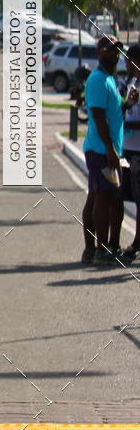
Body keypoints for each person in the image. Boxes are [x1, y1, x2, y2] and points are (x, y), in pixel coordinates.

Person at [81, 36, 138, 265]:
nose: (114, 54)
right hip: (101, 150)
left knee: (102, 197)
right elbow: (98, 117)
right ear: (99, 52)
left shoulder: (109, 79)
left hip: (108, 149)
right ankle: (99, 249)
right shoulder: (97, 79)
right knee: (102, 198)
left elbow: (113, 113)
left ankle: (96, 249)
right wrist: (110, 151)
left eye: (117, 51)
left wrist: (127, 104)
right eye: (109, 50)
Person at [119, 45, 140, 263]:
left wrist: (126, 122)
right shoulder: (132, 83)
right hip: (129, 147)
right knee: (132, 198)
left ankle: (136, 242)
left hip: (138, 150)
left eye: (128, 60)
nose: (125, 64)